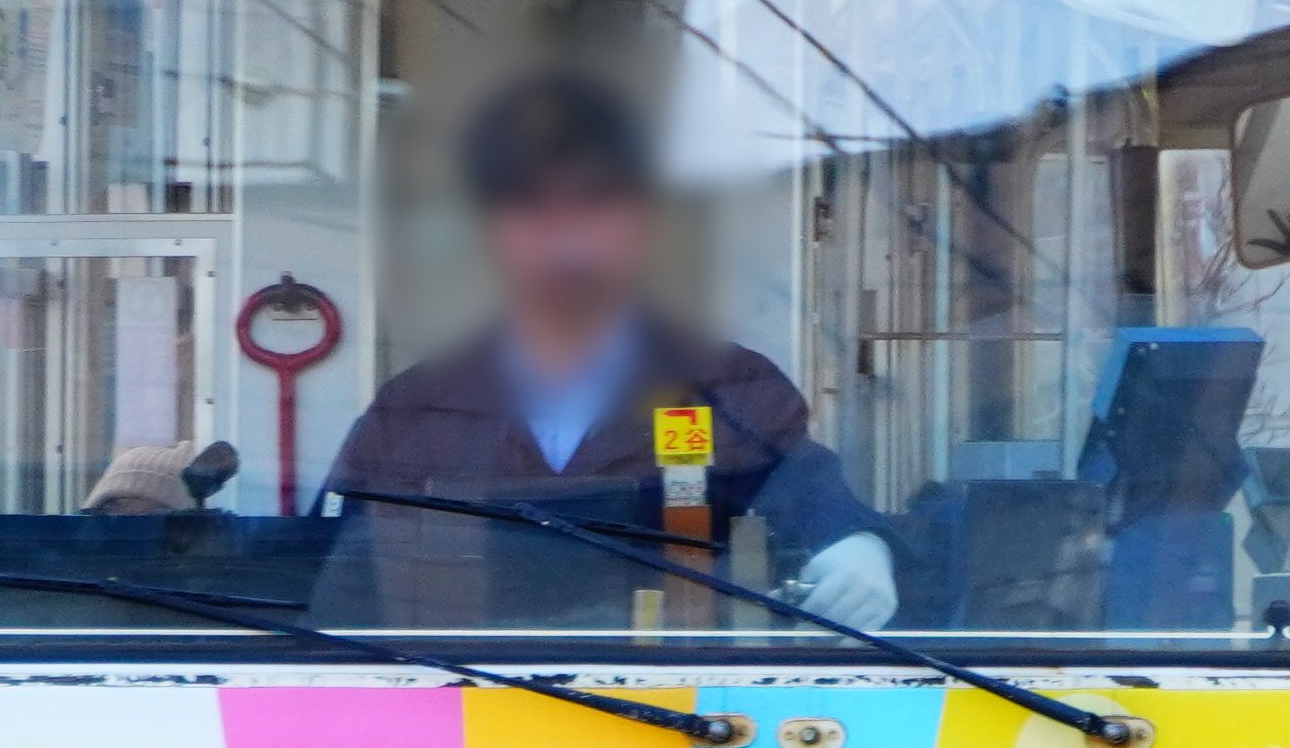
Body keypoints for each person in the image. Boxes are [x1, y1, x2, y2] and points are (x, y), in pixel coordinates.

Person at [323, 68, 902, 629]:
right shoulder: (414, 411)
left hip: (664, 711)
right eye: (532, 207)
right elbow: (335, 595)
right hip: (461, 710)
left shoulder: (726, 388)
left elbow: (809, 494)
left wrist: (856, 547)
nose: (567, 235)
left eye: (595, 201)